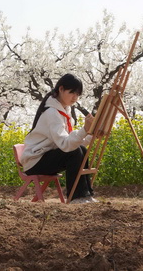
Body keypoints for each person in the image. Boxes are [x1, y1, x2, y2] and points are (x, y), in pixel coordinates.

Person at [20, 73, 97, 204]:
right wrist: (84, 129)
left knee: (81, 150)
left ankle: (85, 195)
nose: (75, 97)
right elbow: (66, 145)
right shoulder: (52, 112)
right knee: (75, 152)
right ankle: (76, 197)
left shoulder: (64, 110)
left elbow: (72, 143)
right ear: (61, 89)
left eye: (78, 94)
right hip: (35, 161)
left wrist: (91, 134)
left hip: (46, 156)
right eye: (72, 92)